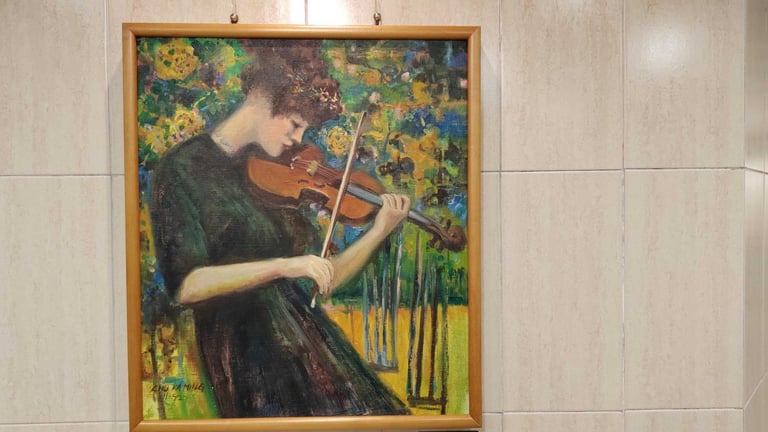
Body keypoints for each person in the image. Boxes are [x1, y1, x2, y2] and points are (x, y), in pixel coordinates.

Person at [150, 40, 410, 417]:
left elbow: (324, 276)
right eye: (295, 124)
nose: (298, 140)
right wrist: (284, 266)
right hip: (249, 356)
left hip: (308, 341)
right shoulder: (181, 169)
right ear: (262, 97)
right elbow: (187, 285)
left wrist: (378, 231)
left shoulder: (276, 177)